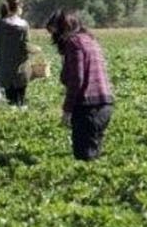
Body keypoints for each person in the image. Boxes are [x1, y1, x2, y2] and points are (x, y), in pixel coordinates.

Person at [46, 10, 114, 160]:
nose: (54, 38)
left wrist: (67, 110)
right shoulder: (90, 40)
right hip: (105, 104)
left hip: (87, 108)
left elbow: (77, 79)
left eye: (55, 33)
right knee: (93, 155)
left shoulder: (73, 42)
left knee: (84, 157)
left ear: (63, 28)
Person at [0, 0, 31, 107]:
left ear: (7, 7)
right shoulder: (24, 25)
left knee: (11, 102)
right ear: (19, 8)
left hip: (5, 69)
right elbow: (27, 46)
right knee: (21, 101)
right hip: (21, 69)